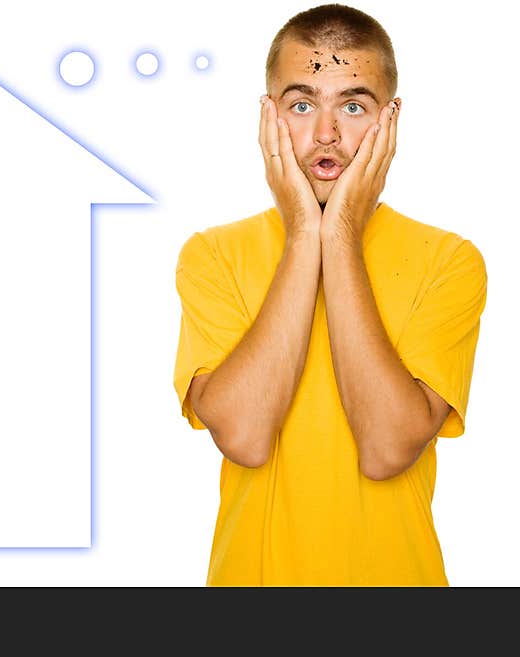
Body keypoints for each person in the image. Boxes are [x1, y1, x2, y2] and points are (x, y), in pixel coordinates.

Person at [173, 3, 487, 585]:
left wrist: (339, 233)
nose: (326, 134)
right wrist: (302, 234)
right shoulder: (211, 255)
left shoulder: (450, 261)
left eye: (352, 106)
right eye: (300, 105)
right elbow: (243, 437)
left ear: (390, 120)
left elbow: (386, 451)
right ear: (268, 118)